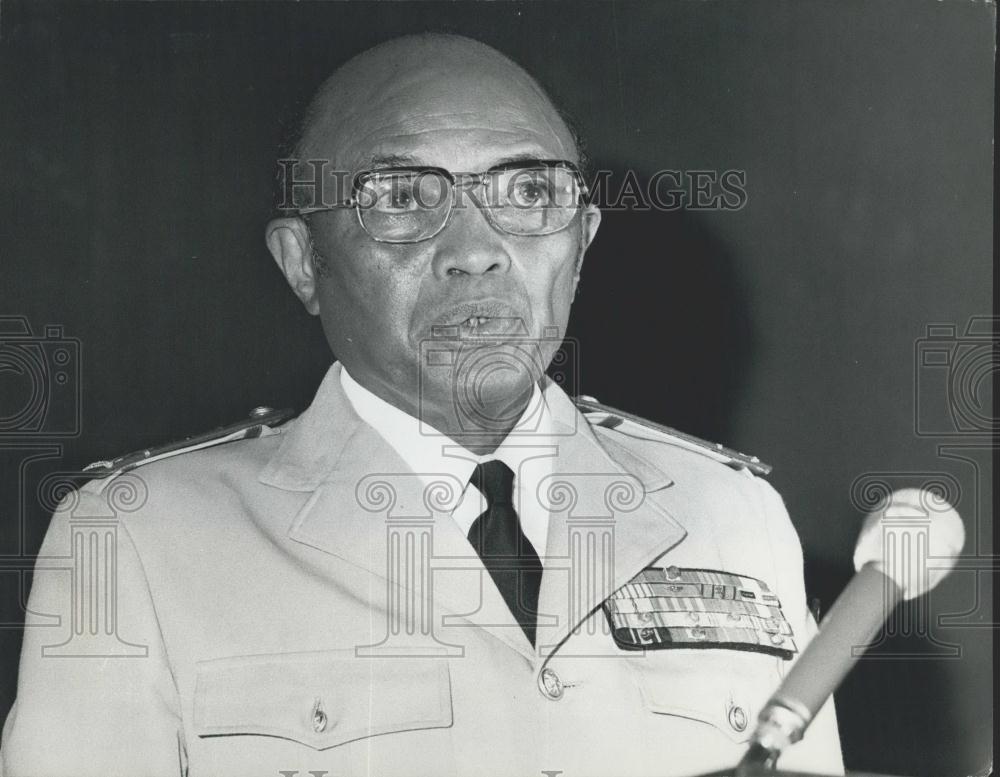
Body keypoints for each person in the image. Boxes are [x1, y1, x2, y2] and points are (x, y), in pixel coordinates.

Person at [1, 33, 843, 777]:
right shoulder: (137, 543)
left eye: (525, 193)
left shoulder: (732, 516)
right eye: (402, 199)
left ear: (581, 243)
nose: (476, 251)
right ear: (304, 262)